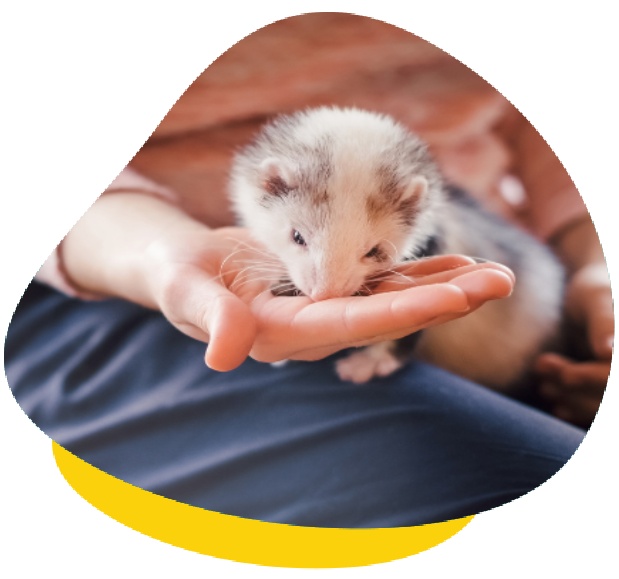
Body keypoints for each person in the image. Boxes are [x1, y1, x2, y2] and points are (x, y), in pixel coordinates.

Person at [5, 13, 609, 528]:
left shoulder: (407, 219)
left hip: (512, 254)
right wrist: (157, 252)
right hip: (103, 275)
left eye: (372, 254)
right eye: (299, 239)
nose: (328, 287)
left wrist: (594, 258)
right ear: (267, 189)